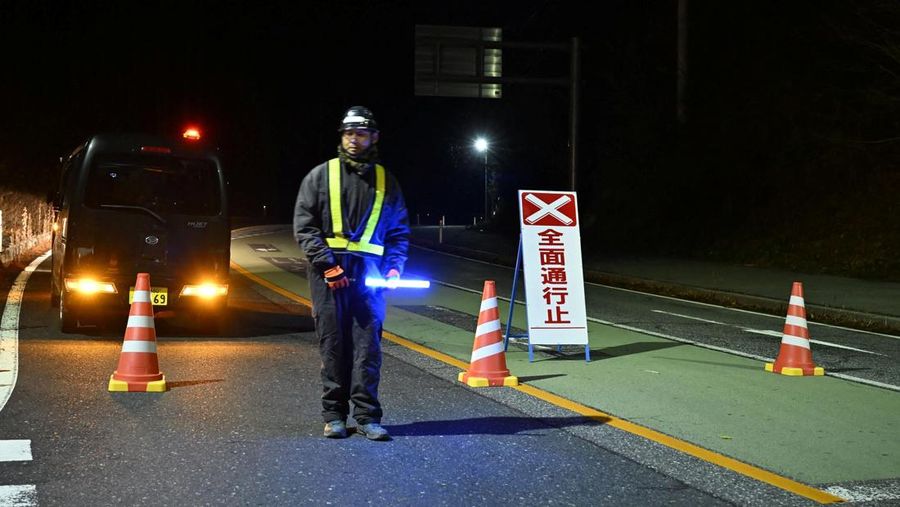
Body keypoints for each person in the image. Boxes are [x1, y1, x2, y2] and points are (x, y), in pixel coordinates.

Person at [293, 106, 410, 441]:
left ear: (374, 137)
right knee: (333, 345)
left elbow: (398, 233)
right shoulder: (320, 176)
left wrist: (393, 268)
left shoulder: (388, 182)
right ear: (342, 137)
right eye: (348, 134)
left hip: (370, 276)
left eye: (361, 133)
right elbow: (305, 226)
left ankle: (367, 417)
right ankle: (334, 416)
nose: (354, 140)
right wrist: (328, 265)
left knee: (367, 347)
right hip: (328, 274)